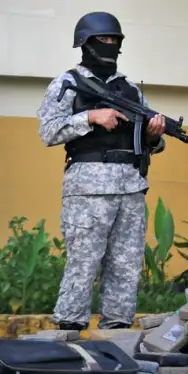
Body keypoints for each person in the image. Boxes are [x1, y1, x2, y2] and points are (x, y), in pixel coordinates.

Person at [37, 11, 167, 330]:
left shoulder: (131, 91)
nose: (109, 45)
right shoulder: (67, 83)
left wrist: (154, 135)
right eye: (103, 40)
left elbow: (154, 143)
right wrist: (91, 118)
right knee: (83, 265)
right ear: (86, 44)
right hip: (88, 189)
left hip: (131, 189)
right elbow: (48, 132)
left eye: (114, 40)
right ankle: (69, 329)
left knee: (126, 268)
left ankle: (118, 333)